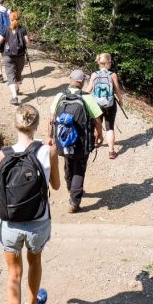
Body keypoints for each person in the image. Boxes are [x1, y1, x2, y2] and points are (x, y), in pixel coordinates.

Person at [0, 103, 60, 304]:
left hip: (9, 223)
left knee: (13, 275)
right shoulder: (47, 151)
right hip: (38, 220)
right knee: (35, 261)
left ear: (15, 124)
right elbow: (57, 186)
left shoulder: (2, 155)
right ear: (36, 125)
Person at [49, 69, 103, 214]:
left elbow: (51, 118)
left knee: (68, 164)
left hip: (64, 140)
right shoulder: (86, 98)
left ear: (70, 79)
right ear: (82, 81)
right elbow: (97, 119)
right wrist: (100, 135)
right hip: (81, 141)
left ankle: (70, 187)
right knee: (79, 168)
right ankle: (74, 201)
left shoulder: (60, 96)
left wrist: (50, 136)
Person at [88, 53, 124, 160]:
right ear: (108, 63)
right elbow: (117, 90)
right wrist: (120, 100)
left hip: (96, 104)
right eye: (111, 62)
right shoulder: (112, 75)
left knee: (96, 123)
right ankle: (111, 151)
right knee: (110, 127)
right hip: (110, 104)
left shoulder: (94, 74)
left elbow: (89, 89)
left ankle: (96, 142)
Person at [0, 11, 29, 105]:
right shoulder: (22, 29)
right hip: (20, 55)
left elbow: (0, 40)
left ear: (10, 19)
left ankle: (14, 97)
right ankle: (17, 89)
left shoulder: (6, 29)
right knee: (18, 73)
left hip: (8, 55)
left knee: (10, 75)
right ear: (18, 19)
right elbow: (27, 42)